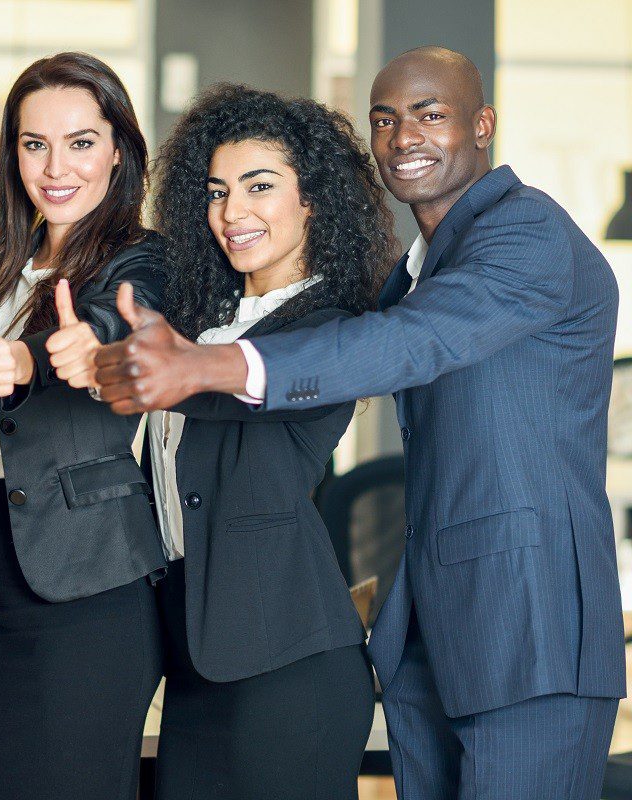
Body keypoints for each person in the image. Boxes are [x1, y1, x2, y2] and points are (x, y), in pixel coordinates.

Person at [96, 47, 624, 800]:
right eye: (386, 119)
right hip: (430, 630)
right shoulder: (419, 267)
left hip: (528, 624)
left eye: (430, 115)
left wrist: (206, 367)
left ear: (483, 126)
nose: (404, 136)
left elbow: (411, 342)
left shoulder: (527, 235)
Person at [121, 83, 387, 799]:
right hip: (200, 661)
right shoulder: (205, 325)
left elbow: (238, 394)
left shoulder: (328, 330)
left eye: (259, 187)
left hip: (289, 665)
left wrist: (173, 367)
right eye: (216, 191)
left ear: (312, 200)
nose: (232, 212)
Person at [0, 52, 166, 800]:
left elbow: (107, 330)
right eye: (35, 143)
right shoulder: (4, 274)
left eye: (80, 142)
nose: (55, 166)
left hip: (90, 593)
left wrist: (49, 357)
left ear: (119, 151)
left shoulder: (143, 259)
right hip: (1, 592)